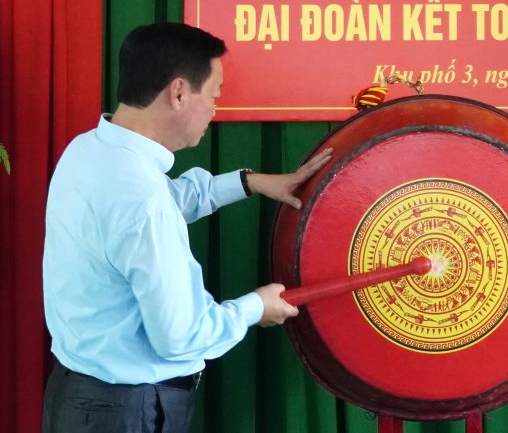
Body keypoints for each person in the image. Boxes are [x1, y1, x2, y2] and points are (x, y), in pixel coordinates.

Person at [42, 22, 332, 433]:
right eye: (214, 96)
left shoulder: (89, 150)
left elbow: (160, 204)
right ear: (179, 92)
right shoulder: (142, 199)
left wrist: (250, 181)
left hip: (77, 396)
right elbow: (180, 337)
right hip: (129, 411)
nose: (215, 110)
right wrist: (256, 307)